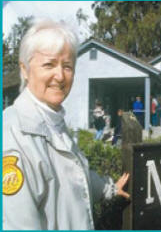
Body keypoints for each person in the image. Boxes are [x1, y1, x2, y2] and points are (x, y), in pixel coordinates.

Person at [3, 19, 129, 230]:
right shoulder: (12, 137)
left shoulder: (52, 121)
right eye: (49, 64)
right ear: (24, 70)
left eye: (67, 66)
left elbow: (73, 172)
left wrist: (110, 188)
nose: (60, 76)